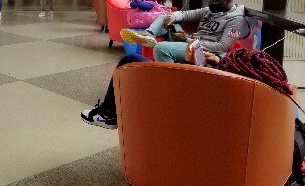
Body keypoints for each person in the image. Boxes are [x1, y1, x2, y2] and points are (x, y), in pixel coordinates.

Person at [80, 47, 288, 130]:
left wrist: (194, 64)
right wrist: (218, 61)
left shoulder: (226, 82)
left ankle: (108, 113)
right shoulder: (253, 89)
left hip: (183, 96)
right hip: (194, 96)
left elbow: (195, 85)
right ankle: (109, 112)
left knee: (130, 60)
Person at [121, 0, 251, 63]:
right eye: (210, 0)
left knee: (161, 48)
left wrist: (188, 39)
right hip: (191, 42)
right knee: (165, 17)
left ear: (227, 1)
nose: (212, 4)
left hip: (203, 52)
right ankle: (148, 34)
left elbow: (222, 47)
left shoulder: (236, 20)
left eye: (215, 1)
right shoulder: (209, 11)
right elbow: (185, 14)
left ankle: (169, 86)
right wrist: (172, 17)